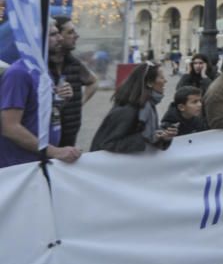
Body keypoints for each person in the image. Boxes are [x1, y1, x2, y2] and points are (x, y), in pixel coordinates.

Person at [1, 20, 80, 167]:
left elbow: (39, 115)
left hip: (37, 163)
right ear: (36, 38)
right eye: (53, 34)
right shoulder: (19, 73)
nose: (60, 38)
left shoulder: (41, 70)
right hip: (19, 168)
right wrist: (54, 151)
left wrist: (60, 101)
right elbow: (10, 127)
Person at [91, 62, 177, 152]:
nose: (165, 81)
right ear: (150, 83)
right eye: (162, 77)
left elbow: (149, 136)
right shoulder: (128, 110)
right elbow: (108, 144)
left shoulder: (147, 105)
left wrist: (163, 138)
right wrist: (147, 138)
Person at [49, 17, 98, 149]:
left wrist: (79, 103)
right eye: (70, 32)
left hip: (69, 137)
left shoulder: (74, 63)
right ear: (58, 35)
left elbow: (93, 82)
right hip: (48, 140)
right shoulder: (42, 66)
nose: (76, 36)